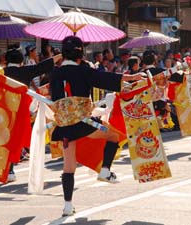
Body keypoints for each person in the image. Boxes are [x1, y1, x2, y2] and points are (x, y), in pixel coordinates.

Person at [50, 36, 145, 217]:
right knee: (113, 136)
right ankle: (105, 170)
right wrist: (132, 77)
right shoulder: (83, 71)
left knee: (68, 167)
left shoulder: (55, 72)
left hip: (64, 126)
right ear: (80, 53)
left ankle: (67, 206)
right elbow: (105, 78)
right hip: (85, 123)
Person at [3, 44, 62, 182]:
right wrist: (61, 55)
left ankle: (3, 167)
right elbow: (42, 66)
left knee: (3, 137)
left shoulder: (1, 72)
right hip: (20, 109)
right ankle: (10, 169)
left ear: (6, 61)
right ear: (21, 61)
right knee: (16, 138)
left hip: (2, 108)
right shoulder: (25, 71)